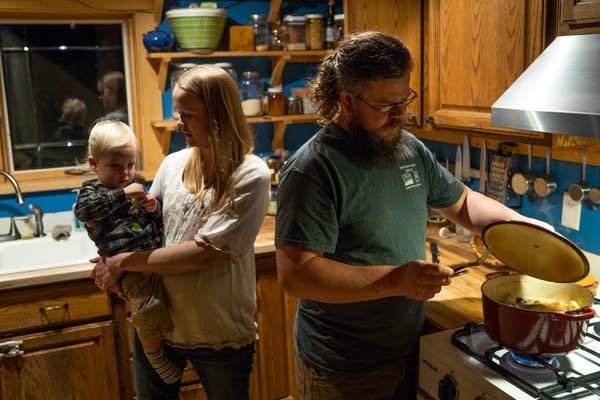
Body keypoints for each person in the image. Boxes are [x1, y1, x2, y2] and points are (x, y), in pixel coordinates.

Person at [274, 31, 555, 400]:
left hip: (410, 347)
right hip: (345, 367)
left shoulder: (407, 148)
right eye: (385, 105)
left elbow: (462, 202)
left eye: (404, 98)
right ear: (347, 100)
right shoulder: (313, 169)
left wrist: (521, 229)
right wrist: (395, 280)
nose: (401, 113)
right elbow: (297, 275)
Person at [91, 64, 271, 400]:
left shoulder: (251, 174)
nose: (179, 122)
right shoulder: (172, 164)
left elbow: (203, 254)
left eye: (188, 113)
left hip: (219, 327)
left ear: (218, 115)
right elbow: (143, 229)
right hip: (160, 324)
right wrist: (110, 261)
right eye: (178, 111)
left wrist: (124, 261)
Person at [74, 119, 182, 384]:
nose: (124, 173)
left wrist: (153, 209)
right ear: (93, 164)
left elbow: (154, 224)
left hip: (150, 260)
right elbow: (84, 212)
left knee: (166, 305)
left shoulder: (134, 187)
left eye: (130, 165)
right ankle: (155, 354)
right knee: (147, 307)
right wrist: (123, 195)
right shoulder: (93, 191)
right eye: (114, 166)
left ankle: (162, 344)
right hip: (126, 267)